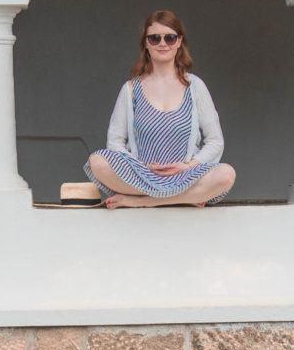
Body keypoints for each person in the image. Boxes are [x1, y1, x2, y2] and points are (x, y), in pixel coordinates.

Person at [87, 11, 236, 209]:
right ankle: (184, 197)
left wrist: (189, 165)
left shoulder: (195, 87)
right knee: (97, 161)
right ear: (146, 44)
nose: (162, 43)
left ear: (179, 42)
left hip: (185, 176)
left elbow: (215, 140)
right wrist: (140, 167)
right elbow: (115, 142)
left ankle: (143, 201)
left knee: (226, 174)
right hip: (142, 175)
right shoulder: (131, 89)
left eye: (170, 37)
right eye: (154, 38)